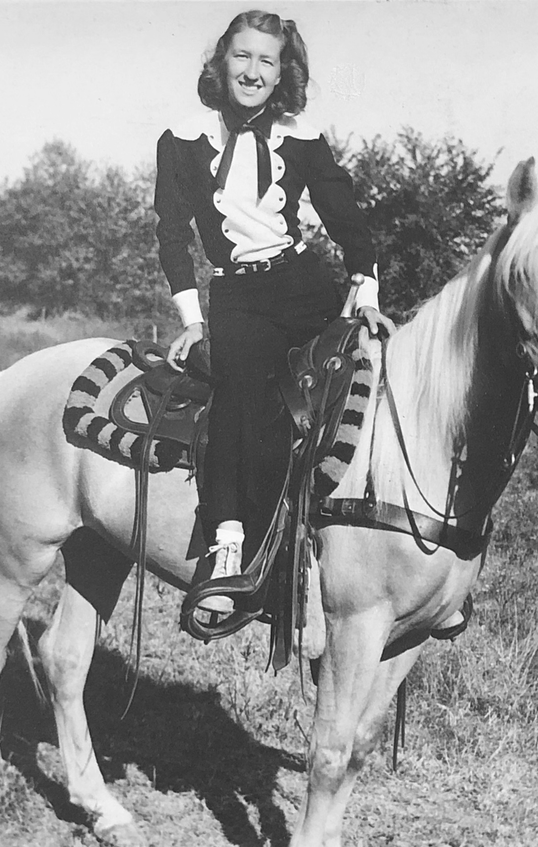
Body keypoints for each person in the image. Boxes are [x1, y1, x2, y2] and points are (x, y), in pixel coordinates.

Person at [155, 10, 394, 611]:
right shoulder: (181, 141)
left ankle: (384, 542)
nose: (254, 72)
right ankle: (230, 547)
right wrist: (191, 319)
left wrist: (364, 293)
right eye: (243, 57)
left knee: (365, 374)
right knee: (241, 393)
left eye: (267, 60)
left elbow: (347, 218)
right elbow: (172, 234)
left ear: (282, 69)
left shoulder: (304, 137)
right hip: (237, 294)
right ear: (220, 61)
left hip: (302, 283)